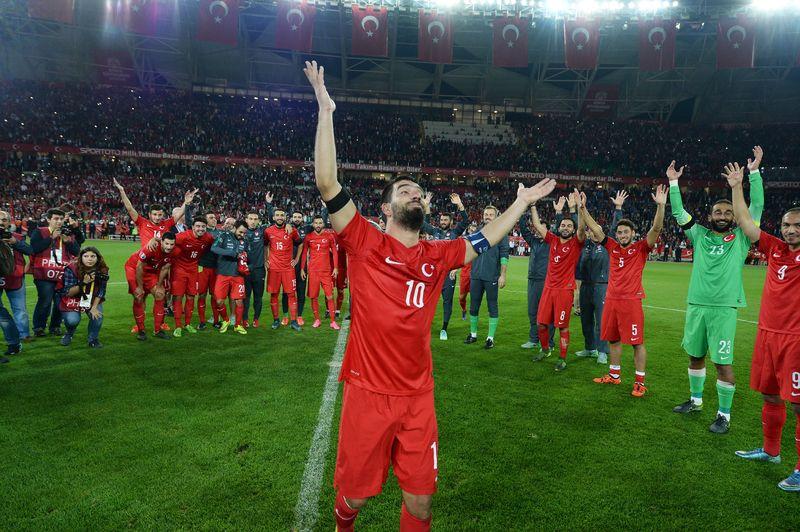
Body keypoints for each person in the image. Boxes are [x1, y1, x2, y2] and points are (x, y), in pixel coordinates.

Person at [304, 59, 556, 532]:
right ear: (386, 208)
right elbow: (328, 183)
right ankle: (343, 525)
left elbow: (485, 238)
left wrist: (520, 204)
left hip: (419, 396)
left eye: (419, 191)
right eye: (404, 190)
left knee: (420, 505)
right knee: (355, 496)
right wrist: (325, 108)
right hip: (369, 393)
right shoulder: (363, 240)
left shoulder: (439, 254)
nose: (415, 194)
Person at [668, 147, 764, 434]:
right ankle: (696, 400)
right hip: (696, 304)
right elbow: (678, 212)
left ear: (735, 216)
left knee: (723, 363)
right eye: (717, 211)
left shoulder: (742, 239)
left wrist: (753, 175)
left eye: (727, 212)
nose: (722, 215)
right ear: (710, 215)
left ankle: (724, 415)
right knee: (695, 356)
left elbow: (756, 208)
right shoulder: (699, 234)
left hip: (723, 309)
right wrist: (674, 183)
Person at [722, 162, 800, 491]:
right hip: (767, 333)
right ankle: (771, 451)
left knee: (798, 403)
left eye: (796, 225)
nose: (791, 230)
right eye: (786, 225)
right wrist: (739, 184)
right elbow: (744, 222)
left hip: (796, 339)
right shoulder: (777, 249)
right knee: (770, 394)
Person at [579, 186, 667, 397]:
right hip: (611, 300)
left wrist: (661, 206)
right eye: (619, 232)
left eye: (626, 232)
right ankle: (614, 376)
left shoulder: (641, 248)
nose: (622, 235)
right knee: (613, 340)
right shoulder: (612, 247)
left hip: (631, 302)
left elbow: (656, 229)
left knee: (637, 343)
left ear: (633, 233)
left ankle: (639, 382)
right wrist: (583, 209)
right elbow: (597, 230)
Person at [529, 192, 587, 371]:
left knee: (562, 326)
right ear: (559, 226)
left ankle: (562, 358)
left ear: (573, 229)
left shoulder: (576, 244)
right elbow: (537, 225)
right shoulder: (552, 240)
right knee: (541, 323)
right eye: (563, 224)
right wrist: (532, 205)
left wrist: (580, 208)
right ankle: (545, 349)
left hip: (564, 290)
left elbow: (582, 229)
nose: (566, 227)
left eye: (569, 225)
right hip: (548, 289)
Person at [574, 191, 626, 364]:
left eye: (597, 230)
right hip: (585, 287)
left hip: (602, 286)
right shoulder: (585, 245)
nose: (594, 232)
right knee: (585, 319)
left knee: (601, 321)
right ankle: (590, 348)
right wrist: (580, 208)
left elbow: (614, 226)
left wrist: (618, 208)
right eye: (592, 230)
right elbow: (581, 229)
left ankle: (602, 351)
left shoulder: (608, 244)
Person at [421, 193, 469, 341]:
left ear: (450, 221)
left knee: (447, 302)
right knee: (425, 301)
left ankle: (444, 329)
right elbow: (422, 224)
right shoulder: (434, 232)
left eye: (445, 220)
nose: (442, 222)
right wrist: (425, 206)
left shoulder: (455, 233)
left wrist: (460, 205)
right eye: (441, 219)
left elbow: (466, 221)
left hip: (448, 274)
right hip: (432, 273)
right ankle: (423, 326)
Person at [30, 208, 83, 337]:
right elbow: (34, 249)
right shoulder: (40, 232)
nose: (59, 222)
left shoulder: (66, 234)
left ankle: (55, 326)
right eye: (56, 219)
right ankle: (39, 327)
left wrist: (68, 241)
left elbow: (77, 251)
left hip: (62, 275)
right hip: (44, 274)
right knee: (45, 301)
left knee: (60, 302)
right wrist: (50, 238)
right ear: (48, 219)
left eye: (61, 219)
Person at [464, 205, 509, 349]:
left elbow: (504, 254)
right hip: (476, 275)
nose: (487, 216)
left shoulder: (501, 232)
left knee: (492, 306)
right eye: (485, 214)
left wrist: (502, 275)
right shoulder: (477, 231)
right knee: (473, 306)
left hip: (492, 276)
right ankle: (473, 334)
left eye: (490, 214)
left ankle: (490, 338)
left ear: (496, 216)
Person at [124, 234, 176, 340]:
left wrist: (160, 285)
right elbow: (139, 267)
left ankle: (157, 330)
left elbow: (165, 269)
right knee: (139, 296)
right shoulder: (150, 248)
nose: (169, 247)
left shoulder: (173, 252)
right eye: (166, 243)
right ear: (161, 242)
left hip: (151, 272)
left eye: (171, 244)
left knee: (160, 294)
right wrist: (139, 286)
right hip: (134, 268)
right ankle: (141, 330)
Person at [170, 217, 215, 337]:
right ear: (193, 227)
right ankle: (178, 326)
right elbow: (167, 243)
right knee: (178, 297)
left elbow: (213, 247)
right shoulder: (182, 236)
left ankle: (188, 324)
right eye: (198, 226)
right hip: (179, 269)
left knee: (191, 296)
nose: (201, 229)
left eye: (203, 227)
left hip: (193, 269)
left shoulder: (208, 238)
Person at [58, 246, 109, 348]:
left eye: (92, 256)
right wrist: (84, 283)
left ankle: (93, 339)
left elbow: (101, 291)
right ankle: (69, 333)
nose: (89, 259)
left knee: (97, 317)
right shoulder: (72, 268)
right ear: (81, 257)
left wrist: (94, 307)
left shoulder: (102, 269)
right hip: (73, 298)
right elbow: (68, 292)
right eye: (86, 256)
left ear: (98, 258)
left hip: (92, 298)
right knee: (72, 320)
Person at [282, 209, 327, 325]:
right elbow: (276, 221)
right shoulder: (286, 228)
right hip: (287, 266)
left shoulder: (307, 229)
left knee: (301, 292)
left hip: (302, 267)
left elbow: (319, 223)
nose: (297, 219)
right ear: (291, 218)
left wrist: (324, 210)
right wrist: (286, 223)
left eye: (299, 217)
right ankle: (285, 316)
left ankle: (299, 316)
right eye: (295, 217)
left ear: (302, 219)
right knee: (286, 293)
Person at [300, 215, 340, 329]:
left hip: (326, 272)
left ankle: (333, 321)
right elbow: (304, 253)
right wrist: (302, 268)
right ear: (313, 224)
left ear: (323, 224)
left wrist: (336, 268)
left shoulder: (329, 236)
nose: (318, 225)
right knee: (314, 297)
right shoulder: (308, 237)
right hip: (313, 272)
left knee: (330, 296)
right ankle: (317, 320)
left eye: (320, 223)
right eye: (316, 223)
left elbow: (335, 253)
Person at [265, 210, 302, 331]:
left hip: (288, 269)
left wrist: (296, 259)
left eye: (282, 215)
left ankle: (293, 321)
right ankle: (276, 320)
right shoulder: (268, 231)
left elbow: (300, 244)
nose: (280, 217)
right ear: (274, 217)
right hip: (274, 269)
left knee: (291, 295)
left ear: (285, 217)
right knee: (274, 294)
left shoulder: (292, 230)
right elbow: (265, 245)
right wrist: (266, 259)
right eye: (278, 215)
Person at [242, 194, 276, 328]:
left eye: (255, 219)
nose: (253, 221)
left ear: (258, 221)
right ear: (246, 219)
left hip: (259, 270)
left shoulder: (262, 231)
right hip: (244, 270)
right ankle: (244, 319)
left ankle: (256, 319)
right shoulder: (240, 232)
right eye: (250, 219)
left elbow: (273, 223)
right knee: (245, 297)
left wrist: (268, 204)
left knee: (257, 297)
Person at [211, 220, 250, 335]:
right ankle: (226, 320)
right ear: (235, 228)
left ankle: (237, 325)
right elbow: (214, 248)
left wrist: (248, 267)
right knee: (219, 301)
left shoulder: (245, 241)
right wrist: (232, 253)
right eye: (240, 232)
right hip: (223, 274)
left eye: (244, 233)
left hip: (238, 276)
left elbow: (249, 257)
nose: (242, 235)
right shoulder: (223, 236)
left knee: (239, 302)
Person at [0, 210, 31, 346]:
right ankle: (12, 337)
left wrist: (15, 242)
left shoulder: (17, 236)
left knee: (20, 310)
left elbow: (30, 250)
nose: (1, 222)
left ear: (9, 222)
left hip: (15, 278)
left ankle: (23, 335)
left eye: (4, 220)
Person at [197, 212, 222, 330]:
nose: (214, 219)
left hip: (216, 269)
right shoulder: (201, 232)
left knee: (215, 295)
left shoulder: (220, 233)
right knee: (202, 294)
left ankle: (216, 320)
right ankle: (202, 321)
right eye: (211, 218)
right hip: (203, 267)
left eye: (215, 218)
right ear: (205, 221)